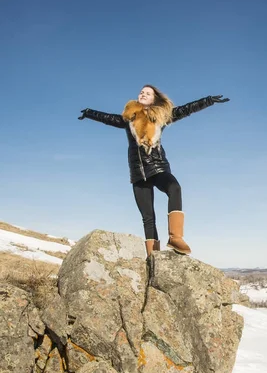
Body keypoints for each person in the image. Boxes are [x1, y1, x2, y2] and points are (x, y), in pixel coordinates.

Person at [79, 86, 229, 256]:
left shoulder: (161, 116)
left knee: (175, 188)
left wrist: (208, 100)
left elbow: (186, 109)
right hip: (138, 174)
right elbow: (106, 118)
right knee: (148, 218)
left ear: (154, 99)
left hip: (158, 167)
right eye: (141, 92)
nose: (143, 94)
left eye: (147, 93)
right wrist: (89, 112)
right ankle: (153, 257)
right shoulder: (129, 118)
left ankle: (176, 237)